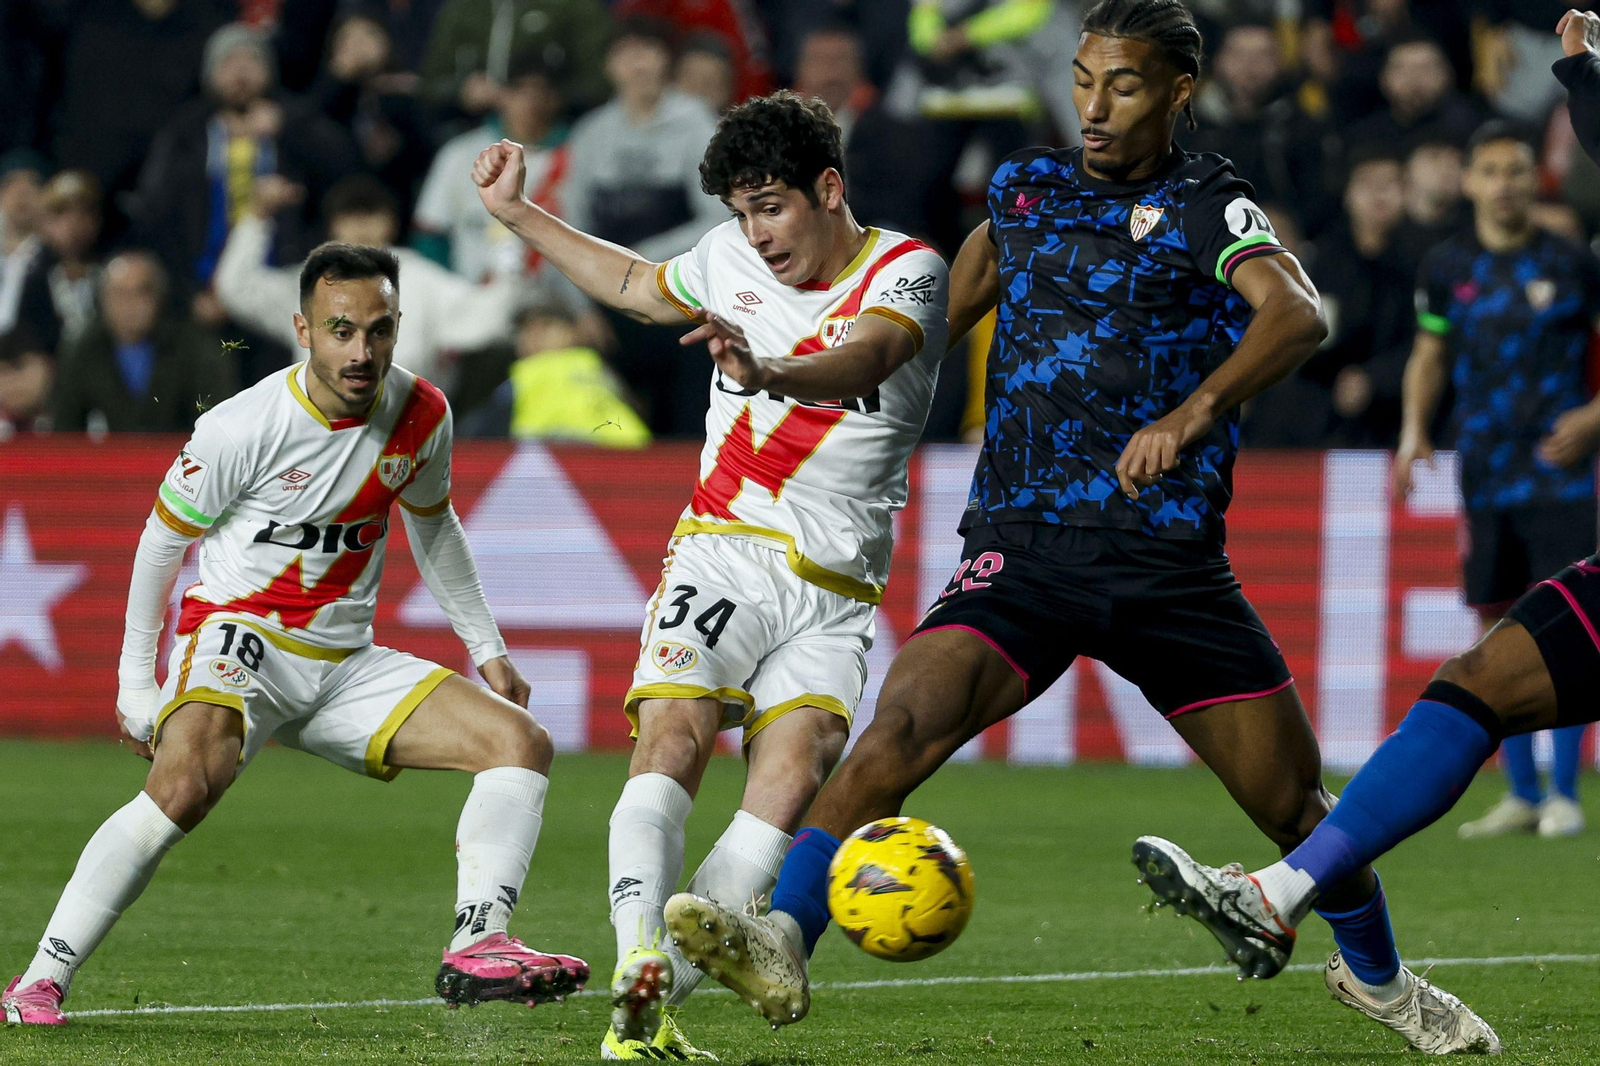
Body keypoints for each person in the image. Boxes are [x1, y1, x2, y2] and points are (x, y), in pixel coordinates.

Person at [664, 1, 1497, 1055]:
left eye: (1126, 86)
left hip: (1167, 566)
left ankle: (1379, 980)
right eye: (1084, 81)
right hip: (1023, 548)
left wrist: (1190, 415)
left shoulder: (1208, 199)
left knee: (1293, 809)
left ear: (1177, 92)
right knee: (897, 731)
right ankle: (782, 932)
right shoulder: (1024, 189)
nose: (1095, 109)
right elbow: (914, 329)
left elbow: (1297, 314)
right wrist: (790, 371)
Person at [471, 88, 950, 1059]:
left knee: (797, 763)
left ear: (827, 187)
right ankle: (638, 952)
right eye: (740, 211)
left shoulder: (908, 270)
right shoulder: (728, 259)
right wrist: (519, 214)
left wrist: (769, 370)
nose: (755, 233)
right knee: (675, 732)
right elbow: (639, 286)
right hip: (726, 542)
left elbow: (867, 359)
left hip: (838, 585)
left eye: (770, 205)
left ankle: (641, 1009)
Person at [1, 242, 588, 1027]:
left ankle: (479, 943)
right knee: (180, 789)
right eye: (341, 331)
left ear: (397, 327)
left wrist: (487, 647)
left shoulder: (423, 415)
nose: (362, 351)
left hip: (345, 662)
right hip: (243, 639)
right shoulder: (242, 426)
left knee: (522, 744)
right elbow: (160, 544)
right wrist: (135, 682)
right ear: (303, 330)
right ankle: (40, 979)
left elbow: (435, 527)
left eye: (378, 331)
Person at [1393, 120, 1600, 840]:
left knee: (1569, 624)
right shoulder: (1447, 266)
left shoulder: (1573, 261)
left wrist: (1596, 415)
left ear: (1531, 181)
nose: (1505, 185)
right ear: (1470, 182)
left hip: (1562, 473)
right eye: (1491, 172)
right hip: (1484, 471)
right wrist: (1414, 431)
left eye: (1517, 171)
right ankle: (1520, 792)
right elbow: (1429, 354)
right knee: (1499, 623)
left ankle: (1566, 793)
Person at [216, 176, 518, 389]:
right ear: (333, 225)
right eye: (350, 216)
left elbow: (491, 315)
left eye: (371, 215)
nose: (360, 226)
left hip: (403, 424)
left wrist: (506, 237)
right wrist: (256, 218)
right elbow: (237, 287)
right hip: (324, 429)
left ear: (391, 222)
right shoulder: (311, 279)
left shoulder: (420, 278)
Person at [50, 250, 235, 433]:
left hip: (182, 457)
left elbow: (219, 419)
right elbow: (65, 428)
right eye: (120, 294)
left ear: (159, 297)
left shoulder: (195, 348)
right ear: (103, 300)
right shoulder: (84, 350)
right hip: (110, 459)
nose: (130, 304)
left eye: (141, 292)